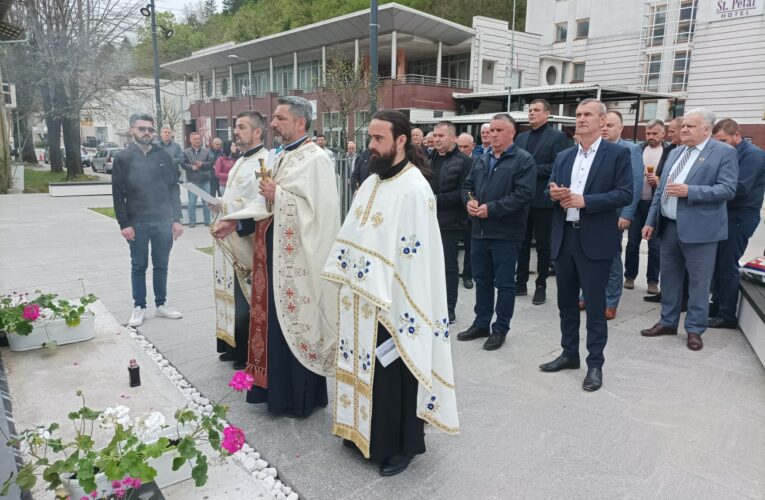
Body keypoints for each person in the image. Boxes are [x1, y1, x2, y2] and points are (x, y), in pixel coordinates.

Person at [322, 109, 459, 477]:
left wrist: (391, 293)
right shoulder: (371, 182)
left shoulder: (415, 188)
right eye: (370, 139)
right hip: (362, 297)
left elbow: (418, 258)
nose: (371, 147)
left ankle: (402, 445)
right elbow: (353, 232)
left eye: (378, 139)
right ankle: (360, 432)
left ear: (401, 141)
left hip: (395, 301)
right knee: (366, 369)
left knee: (396, 375)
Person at [215, 96, 340, 416]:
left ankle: (299, 398)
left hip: (298, 261)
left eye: (280, 119)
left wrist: (279, 196)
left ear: (300, 122)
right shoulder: (282, 157)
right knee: (272, 324)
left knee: (296, 325)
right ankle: (274, 392)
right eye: (273, 118)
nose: (273, 124)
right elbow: (265, 203)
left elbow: (320, 214)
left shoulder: (317, 159)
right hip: (271, 256)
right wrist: (236, 219)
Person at [539, 98, 632, 392]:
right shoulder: (565, 156)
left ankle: (595, 364)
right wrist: (554, 194)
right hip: (565, 237)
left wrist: (586, 201)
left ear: (602, 120)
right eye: (578, 114)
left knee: (594, 306)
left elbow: (625, 194)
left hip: (595, 240)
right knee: (566, 303)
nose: (581, 119)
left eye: (587, 114)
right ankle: (569, 353)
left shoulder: (617, 154)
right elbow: (549, 187)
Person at [640, 108, 738, 352]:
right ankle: (668, 322)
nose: (683, 129)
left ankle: (694, 329)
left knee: (698, 282)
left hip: (701, 230)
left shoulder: (723, 152)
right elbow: (661, 191)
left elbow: (728, 189)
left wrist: (690, 192)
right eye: (683, 126)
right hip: (669, 226)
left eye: (690, 126)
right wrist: (651, 220)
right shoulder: (675, 152)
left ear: (706, 129)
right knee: (670, 279)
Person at [457, 113, 536, 351]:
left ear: (512, 133)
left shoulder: (523, 160)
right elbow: (468, 186)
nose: (493, 134)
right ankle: (481, 323)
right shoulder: (482, 159)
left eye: (499, 130)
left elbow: (523, 194)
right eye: (491, 130)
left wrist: (492, 209)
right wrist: (469, 201)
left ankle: (500, 328)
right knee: (482, 281)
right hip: (479, 232)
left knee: (504, 285)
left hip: (505, 233)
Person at [112, 112, 184, 328]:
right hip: (137, 222)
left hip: (163, 220)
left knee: (161, 264)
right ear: (132, 130)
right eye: (142, 129)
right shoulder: (123, 158)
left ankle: (161, 304)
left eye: (150, 129)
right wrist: (124, 224)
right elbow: (117, 193)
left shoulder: (163, 156)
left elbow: (173, 188)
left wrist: (177, 219)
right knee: (139, 265)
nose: (147, 133)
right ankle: (139, 306)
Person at [212, 112, 270, 371]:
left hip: (246, 237)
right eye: (235, 127)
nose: (236, 132)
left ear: (258, 132)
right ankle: (232, 346)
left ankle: (246, 352)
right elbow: (235, 196)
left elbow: (262, 204)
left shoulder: (264, 161)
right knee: (232, 294)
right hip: (229, 233)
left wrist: (236, 219)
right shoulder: (239, 160)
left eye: (242, 127)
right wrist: (219, 204)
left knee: (246, 297)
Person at [709, 118, 765, 328]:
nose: (720, 145)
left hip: (741, 216)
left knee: (727, 264)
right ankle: (716, 305)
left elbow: (740, 188)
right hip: (727, 215)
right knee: (717, 263)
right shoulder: (731, 152)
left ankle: (727, 314)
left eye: (723, 140)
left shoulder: (753, 155)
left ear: (737, 135)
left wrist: (711, 189)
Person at [514, 99, 570, 305]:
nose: (531, 113)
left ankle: (541, 285)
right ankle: (520, 282)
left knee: (543, 246)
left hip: (543, 198)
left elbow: (558, 165)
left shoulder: (558, 137)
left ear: (547, 114)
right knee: (521, 242)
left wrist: (531, 169)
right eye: (529, 110)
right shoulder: (521, 138)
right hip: (521, 200)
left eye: (536, 110)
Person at [597, 110, 644, 320]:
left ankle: (610, 302)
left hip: (616, 213)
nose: (605, 128)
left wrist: (627, 213)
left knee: (612, 258)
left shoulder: (631, 150)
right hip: (594, 210)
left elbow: (634, 184)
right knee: (591, 256)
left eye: (610, 125)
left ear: (620, 128)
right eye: (603, 125)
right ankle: (587, 295)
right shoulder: (596, 147)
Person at [430, 121, 473, 324]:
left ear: (453, 137)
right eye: (435, 135)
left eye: (441, 136)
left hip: (451, 222)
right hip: (428, 220)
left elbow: (463, 192)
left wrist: (436, 200)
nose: (437, 139)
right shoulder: (428, 158)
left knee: (448, 267)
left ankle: (449, 307)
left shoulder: (464, 162)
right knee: (429, 266)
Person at [624, 119, 671, 295]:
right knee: (632, 243)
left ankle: (652, 281)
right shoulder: (638, 149)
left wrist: (659, 182)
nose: (651, 137)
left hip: (654, 204)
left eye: (655, 133)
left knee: (655, 245)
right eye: (648, 133)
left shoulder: (668, 152)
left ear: (663, 134)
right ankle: (629, 276)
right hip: (636, 204)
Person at [643, 117, 684, 304]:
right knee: (667, 259)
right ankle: (664, 294)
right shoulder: (671, 151)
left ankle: (681, 298)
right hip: (663, 212)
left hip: (685, 217)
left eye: (673, 130)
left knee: (681, 262)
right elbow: (662, 182)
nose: (671, 133)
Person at [456, 132, 477, 290]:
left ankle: (467, 275)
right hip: (454, 210)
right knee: (452, 246)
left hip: (470, 210)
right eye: (459, 146)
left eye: (465, 146)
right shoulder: (453, 161)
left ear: (473, 147)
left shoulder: (478, 161)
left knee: (470, 246)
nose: (462, 149)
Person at [182, 132, 215, 227]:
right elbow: (183, 164)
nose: (197, 140)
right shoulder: (185, 152)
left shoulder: (206, 151)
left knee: (207, 203)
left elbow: (211, 163)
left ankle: (207, 221)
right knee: (192, 203)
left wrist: (202, 164)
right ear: (191, 140)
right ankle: (192, 222)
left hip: (205, 181)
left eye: (198, 138)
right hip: (192, 181)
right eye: (195, 139)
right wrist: (191, 167)